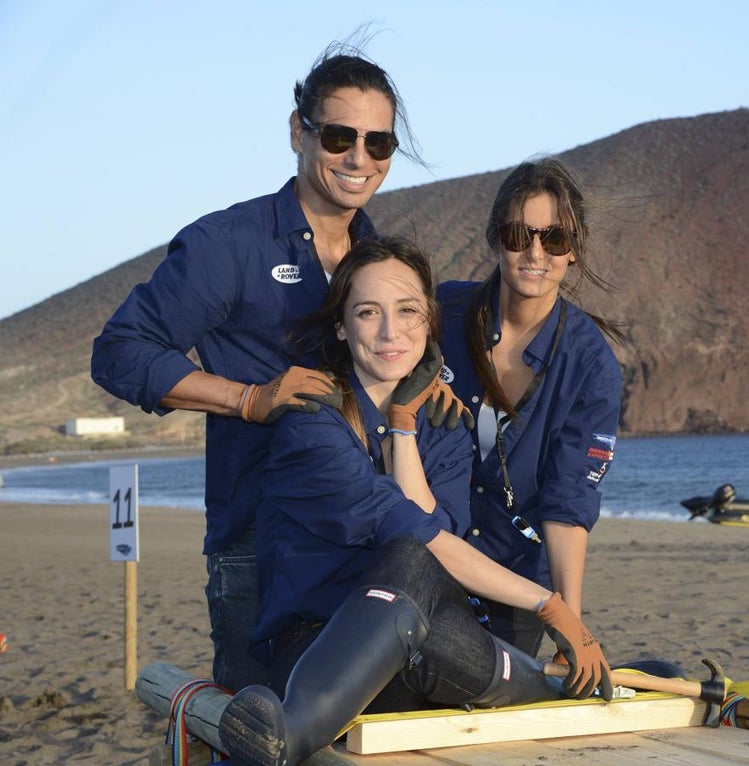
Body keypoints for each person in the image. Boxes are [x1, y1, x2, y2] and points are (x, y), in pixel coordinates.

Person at [90, 45, 463, 692]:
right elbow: (121, 350)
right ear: (299, 132)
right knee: (263, 732)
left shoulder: (376, 256)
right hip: (255, 549)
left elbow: (396, 349)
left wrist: (431, 381)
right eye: (341, 136)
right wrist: (249, 398)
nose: (358, 158)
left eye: (379, 144)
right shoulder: (230, 244)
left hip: (363, 543)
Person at [219, 236, 612, 766]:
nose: (389, 332)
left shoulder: (443, 427)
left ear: (429, 322)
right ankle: (293, 731)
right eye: (367, 312)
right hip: (319, 655)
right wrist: (549, 604)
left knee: (426, 607)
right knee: (411, 560)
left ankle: (556, 692)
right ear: (341, 326)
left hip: (419, 643)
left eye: (407, 311)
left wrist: (404, 428)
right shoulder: (311, 421)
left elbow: (436, 543)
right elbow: (418, 537)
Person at [437, 158, 625, 656]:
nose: (535, 253)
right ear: (496, 238)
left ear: (574, 250)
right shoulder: (440, 316)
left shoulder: (591, 365)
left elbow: (568, 502)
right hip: (428, 555)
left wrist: (571, 626)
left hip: (516, 580)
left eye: (554, 239)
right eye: (519, 234)